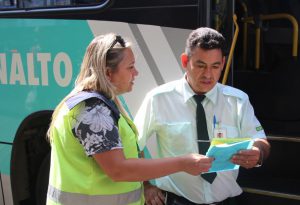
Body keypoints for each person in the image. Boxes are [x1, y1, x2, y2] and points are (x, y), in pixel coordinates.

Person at [46, 33, 214, 205]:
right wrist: (182, 163)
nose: (136, 73)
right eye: (130, 67)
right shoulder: (92, 111)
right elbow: (119, 170)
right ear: (108, 73)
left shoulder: (97, 103)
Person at [134, 27, 271, 205]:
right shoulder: (158, 99)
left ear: (222, 63)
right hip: (176, 201)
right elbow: (133, 145)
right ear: (185, 61)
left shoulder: (238, 100)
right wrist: (145, 185)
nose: (208, 74)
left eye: (215, 66)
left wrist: (257, 152)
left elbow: (260, 140)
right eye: (200, 65)